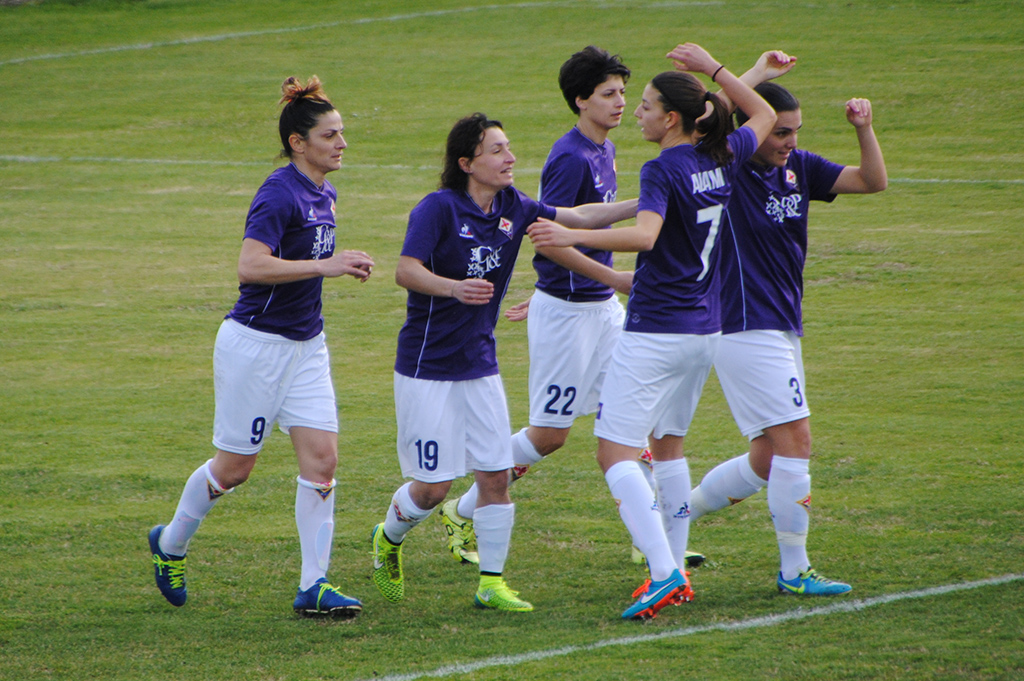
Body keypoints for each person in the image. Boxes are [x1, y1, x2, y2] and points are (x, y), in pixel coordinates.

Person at [528, 43, 779, 619]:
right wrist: (716, 69)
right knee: (668, 446)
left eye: (644, 105)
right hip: (705, 331)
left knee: (614, 452)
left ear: (670, 119)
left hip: (657, 328)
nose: (634, 113)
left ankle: (664, 572)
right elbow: (760, 116)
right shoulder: (722, 152)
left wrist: (568, 241)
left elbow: (643, 237)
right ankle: (674, 563)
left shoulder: (664, 166)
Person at [370, 112, 637, 612]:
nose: (510, 158)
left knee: (495, 475)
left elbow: (579, 220)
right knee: (432, 488)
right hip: (427, 368)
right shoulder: (437, 209)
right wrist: (452, 287)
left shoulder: (515, 205)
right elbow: (406, 271)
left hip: (480, 363)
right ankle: (387, 538)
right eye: (497, 150)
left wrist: (650, 203)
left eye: (509, 148)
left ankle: (491, 583)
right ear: (467, 162)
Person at [148, 76, 375, 619]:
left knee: (322, 463)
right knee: (234, 470)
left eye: (343, 133)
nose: (342, 143)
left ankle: (313, 586)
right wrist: (327, 264)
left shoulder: (325, 190)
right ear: (299, 142)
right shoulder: (279, 192)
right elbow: (250, 265)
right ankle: (171, 543)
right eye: (330, 135)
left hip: (306, 349)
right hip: (255, 348)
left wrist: (334, 264)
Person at [687, 74, 888, 595]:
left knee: (768, 455)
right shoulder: (725, 169)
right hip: (742, 322)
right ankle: (795, 572)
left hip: (780, 324)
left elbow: (871, 181)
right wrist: (724, 69)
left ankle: (670, 518)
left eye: (795, 131)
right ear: (755, 130)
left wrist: (864, 129)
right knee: (797, 440)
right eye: (779, 132)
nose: (790, 141)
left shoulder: (799, 167)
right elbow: (710, 110)